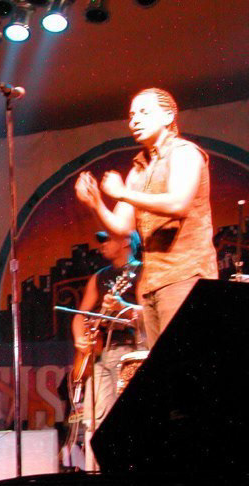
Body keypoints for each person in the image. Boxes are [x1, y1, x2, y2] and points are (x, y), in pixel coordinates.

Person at [75, 88, 217, 349]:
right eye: (131, 116)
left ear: (168, 116)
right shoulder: (138, 170)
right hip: (151, 284)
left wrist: (123, 193)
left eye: (144, 112)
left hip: (186, 276)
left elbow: (178, 203)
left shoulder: (184, 153)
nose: (135, 121)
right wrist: (96, 203)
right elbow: (121, 228)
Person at [71, 231, 142, 470]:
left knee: (127, 420)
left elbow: (147, 313)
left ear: (126, 241)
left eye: (107, 239)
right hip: (100, 355)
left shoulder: (142, 271)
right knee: (95, 420)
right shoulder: (99, 277)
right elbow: (81, 315)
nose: (102, 245)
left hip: (130, 351)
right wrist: (80, 337)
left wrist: (123, 307)